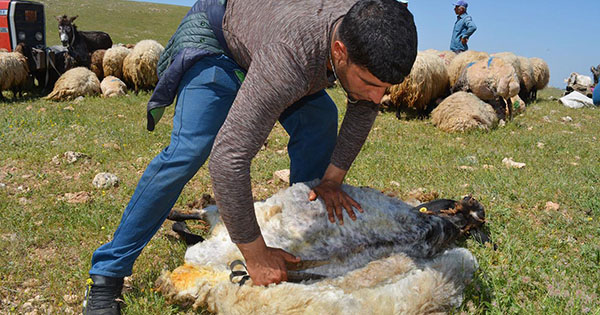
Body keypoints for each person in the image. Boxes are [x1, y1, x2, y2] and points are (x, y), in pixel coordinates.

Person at [82, 0, 417, 314]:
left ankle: (298, 233)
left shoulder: (366, 25)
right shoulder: (291, 56)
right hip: (219, 42)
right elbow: (229, 159)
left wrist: (332, 180)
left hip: (271, 41)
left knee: (319, 121)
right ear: (339, 51)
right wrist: (254, 255)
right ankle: (108, 273)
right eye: (370, 83)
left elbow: (364, 104)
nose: (378, 96)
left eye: (385, 87)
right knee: (190, 149)